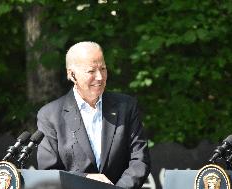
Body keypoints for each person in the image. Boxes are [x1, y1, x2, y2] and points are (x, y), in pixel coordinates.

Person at [36, 41, 150, 189]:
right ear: (72, 74)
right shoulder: (50, 115)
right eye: (91, 71)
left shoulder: (126, 107)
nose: (100, 77)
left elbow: (140, 160)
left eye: (103, 68)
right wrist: (86, 180)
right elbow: (48, 172)